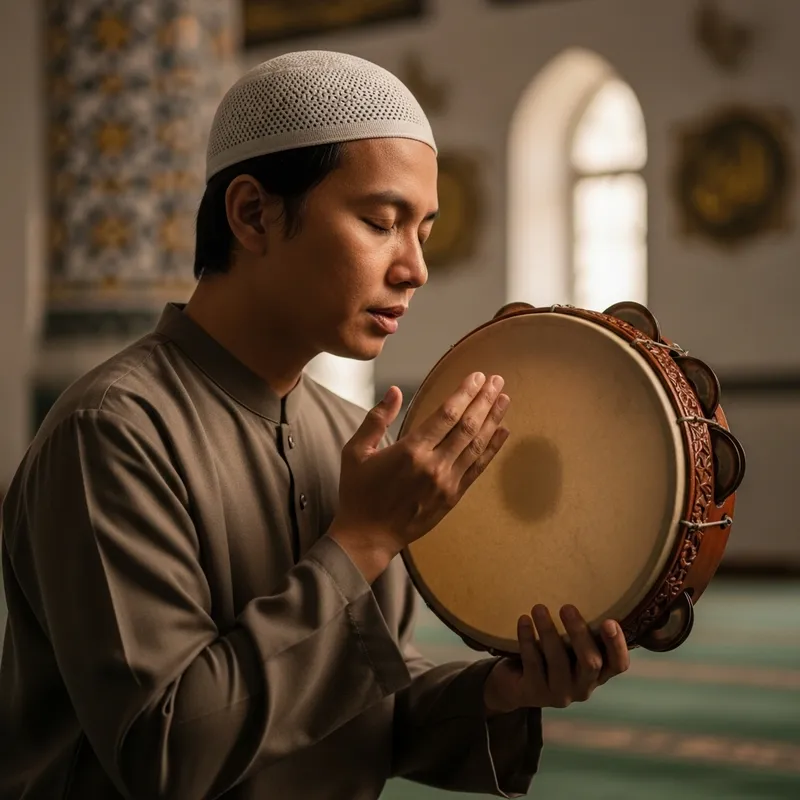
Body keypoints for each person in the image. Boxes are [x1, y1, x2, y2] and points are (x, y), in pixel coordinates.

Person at [0, 51, 629, 799]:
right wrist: (362, 542)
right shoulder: (113, 433)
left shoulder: (347, 435)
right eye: (380, 222)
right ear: (253, 214)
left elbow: (365, 714)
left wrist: (501, 693)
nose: (415, 268)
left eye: (423, 230)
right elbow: (164, 752)